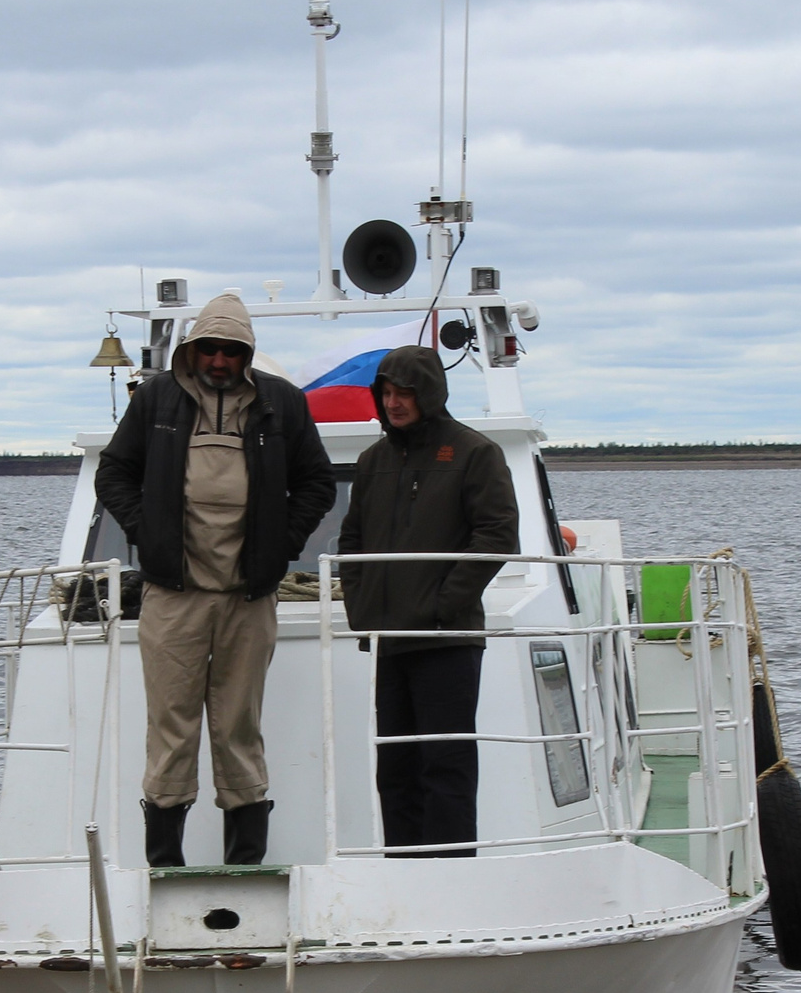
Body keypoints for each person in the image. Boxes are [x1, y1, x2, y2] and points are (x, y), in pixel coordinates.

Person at [95, 293, 336, 866]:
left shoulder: (282, 403)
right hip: (171, 595)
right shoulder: (156, 399)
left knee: (239, 729)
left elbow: (317, 483)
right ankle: (164, 868)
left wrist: (281, 543)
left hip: (248, 598)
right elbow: (114, 472)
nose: (220, 360)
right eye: (210, 349)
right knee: (170, 729)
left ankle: (246, 865)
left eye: (232, 351)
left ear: (246, 354)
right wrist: (147, 530)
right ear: (193, 350)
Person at [336, 343, 519, 858]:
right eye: (387, 393)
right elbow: (351, 541)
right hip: (389, 638)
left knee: (446, 765)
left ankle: (452, 876)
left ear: (430, 394)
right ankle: (405, 873)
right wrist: (361, 610)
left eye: (405, 393)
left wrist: (443, 606)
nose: (394, 403)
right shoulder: (373, 461)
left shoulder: (475, 453)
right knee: (396, 768)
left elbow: (497, 535)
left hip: (447, 640)